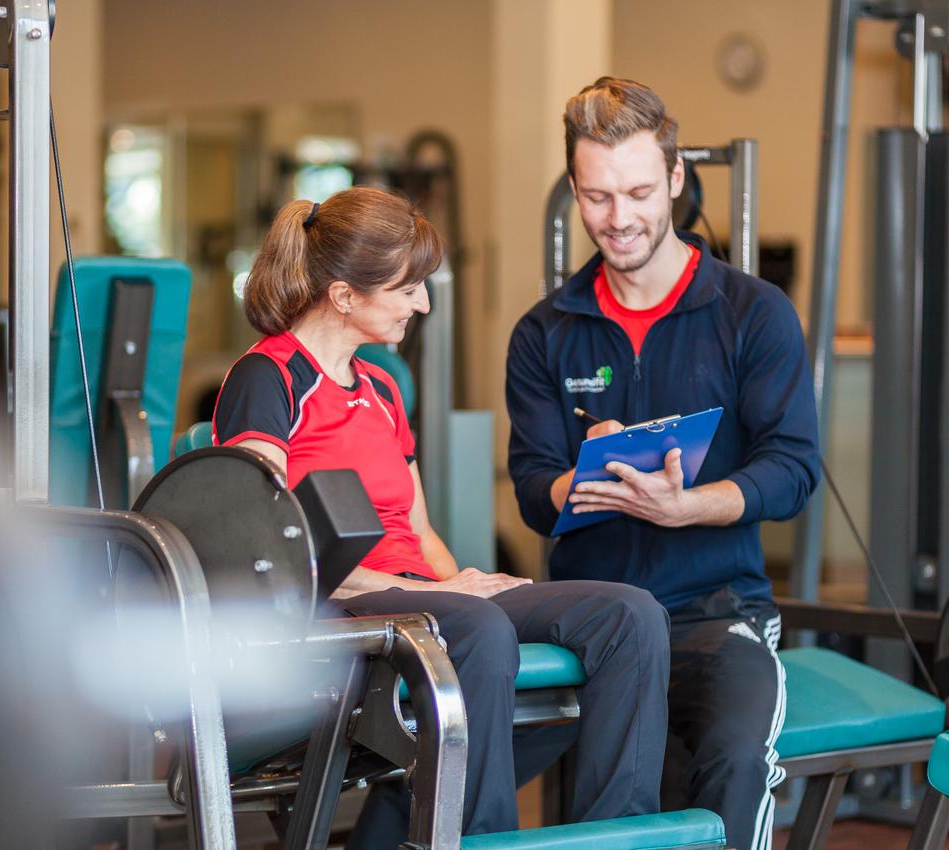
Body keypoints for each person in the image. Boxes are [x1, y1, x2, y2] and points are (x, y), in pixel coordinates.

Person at [213, 186, 670, 846]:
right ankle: (474, 837)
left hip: (417, 602)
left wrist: (465, 582)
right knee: (480, 629)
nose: (422, 303)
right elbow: (270, 554)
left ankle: (616, 838)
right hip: (334, 613)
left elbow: (419, 534)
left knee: (630, 619)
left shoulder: (382, 389)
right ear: (344, 296)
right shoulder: (269, 378)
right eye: (407, 289)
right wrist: (449, 598)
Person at [506, 77, 820, 850]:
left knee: (734, 764)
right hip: (598, 626)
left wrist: (692, 505)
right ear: (576, 190)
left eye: (640, 192)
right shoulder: (545, 333)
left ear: (676, 180)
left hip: (719, 615)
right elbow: (531, 489)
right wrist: (588, 476)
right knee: (606, 809)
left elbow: (793, 469)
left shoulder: (753, 314)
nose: (619, 219)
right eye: (597, 197)